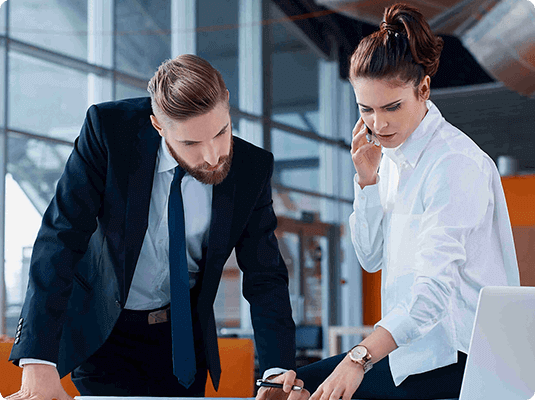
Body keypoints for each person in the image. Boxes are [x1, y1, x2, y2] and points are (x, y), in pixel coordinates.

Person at [6, 54, 305, 399]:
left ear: (227, 104)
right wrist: (38, 359)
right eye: (191, 143)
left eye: (221, 132)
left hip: (183, 339)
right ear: (158, 126)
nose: (212, 156)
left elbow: (265, 275)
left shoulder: (252, 168)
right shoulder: (109, 132)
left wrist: (276, 371)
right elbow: (60, 237)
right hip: (105, 329)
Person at [295, 3, 521, 400]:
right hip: (413, 351)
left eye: (391, 107)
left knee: (312, 392)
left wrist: (358, 358)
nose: (378, 124)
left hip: (462, 357)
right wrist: (367, 181)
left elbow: (432, 291)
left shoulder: (454, 163)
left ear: (423, 90)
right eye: (366, 109)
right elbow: (370, 258)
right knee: (289, 386)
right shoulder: (389, 159)